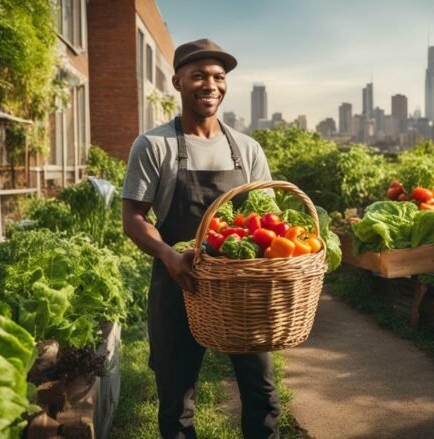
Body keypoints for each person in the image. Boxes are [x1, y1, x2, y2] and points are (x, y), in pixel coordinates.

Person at [121, 38, 281, 439]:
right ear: (177, 82)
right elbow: (133, 217)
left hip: (239, 293)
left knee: (262, 396)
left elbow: (269, 219)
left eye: (219, 77)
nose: (211, 85)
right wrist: (168, 256)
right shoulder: (153, 145)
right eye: (199, 76)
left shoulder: (246, 150)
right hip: (178, 284)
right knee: (177, 403)